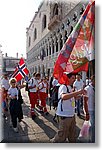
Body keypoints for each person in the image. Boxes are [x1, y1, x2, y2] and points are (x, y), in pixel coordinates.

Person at [50, 73, 85, 143]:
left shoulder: (69, 87)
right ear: (68, 78)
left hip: (71, 114)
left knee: (72, 134)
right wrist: (77, 92)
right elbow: (64, 97)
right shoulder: (63, 86)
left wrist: (79, 96)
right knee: (61, 136)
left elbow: (71, 98)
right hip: (64, 115)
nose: (74, 79)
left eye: (74, 78)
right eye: (72, 78)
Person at [83, 75, 95, 142]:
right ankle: (91, 141)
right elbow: (85, 101)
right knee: (92, 127)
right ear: (92, 80)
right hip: (90, 110)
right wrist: (86, 113)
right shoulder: (87, 88)